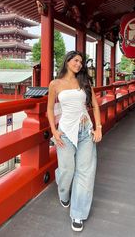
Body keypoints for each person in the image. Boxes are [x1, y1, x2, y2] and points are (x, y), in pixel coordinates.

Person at [47, 51, 102, 232]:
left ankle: (78, 213)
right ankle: (63, 190)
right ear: (68, 61)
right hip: (64, 133)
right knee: (67, 170)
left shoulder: (84, 82)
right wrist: (54, 132)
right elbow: (49, 110)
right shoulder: (55, 84)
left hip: (86, 131)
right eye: (76, 60)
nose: (79, 64)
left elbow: (94, 104)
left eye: (81, 62)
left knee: (85, 172)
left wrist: (98, 128)